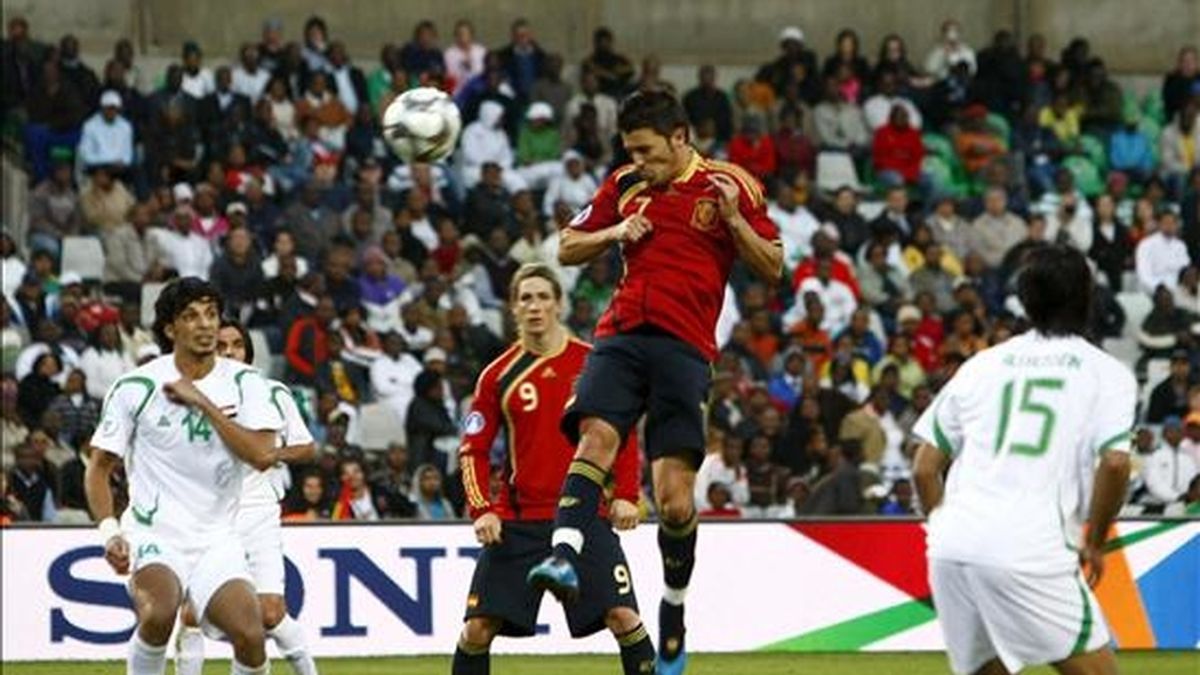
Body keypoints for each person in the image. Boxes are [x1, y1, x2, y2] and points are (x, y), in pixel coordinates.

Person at [528, 91, 782, 674]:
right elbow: (566, 247)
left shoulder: (731, 184)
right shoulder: (624, 184)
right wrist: (616, 230)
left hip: (685, 347)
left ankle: (673, 606)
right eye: (631, 152)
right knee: (594, 435)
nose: (639, 162)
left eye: (647, 151)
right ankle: (563, 556)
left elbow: (772, 264)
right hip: (620, 333)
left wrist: (735, 221)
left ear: (680, 137)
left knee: (672, 503)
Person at [912, 245, 1135, 675]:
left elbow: (924, 468)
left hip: (951, 546)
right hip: (1030, 545)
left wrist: (953, 530)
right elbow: (1115, 464)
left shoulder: (981, 365)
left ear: (1026, 301)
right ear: (1088, 297)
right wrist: (1095, 541)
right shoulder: (1106, 373)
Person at [454, 264, 651, 675]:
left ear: (559, 304)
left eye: (544, 297)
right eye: (525, 298)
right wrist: (482, 508)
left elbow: (623, 434)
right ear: (513, 308)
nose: (535, 306)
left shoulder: (594, 364)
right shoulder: (496, 375)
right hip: (520, 520)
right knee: (477, 628)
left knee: (623, 617)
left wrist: (627, 496)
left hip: (584, 517)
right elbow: (472, 448)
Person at [85, 277, 282, 675]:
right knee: (158, 614)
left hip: (217, 538)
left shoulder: (247, 383)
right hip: (154, 533)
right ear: (170, 329)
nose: (206, 324)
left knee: (251, 636)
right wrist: (110, 533)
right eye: (191, 316)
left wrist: (201, 401)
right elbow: (99, 467)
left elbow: (262, 455)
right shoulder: (135, 387)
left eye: (211, 314)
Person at [175, 319, 319, 675]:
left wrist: (274, 455)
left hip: (259, 511)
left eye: (236, 345)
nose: (229, 352)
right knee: (192, 613)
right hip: (210, 517)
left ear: (248, 350)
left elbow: (306, 447)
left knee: (270, 613)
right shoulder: (194, 397)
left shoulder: (273, 392)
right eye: (221, 346)